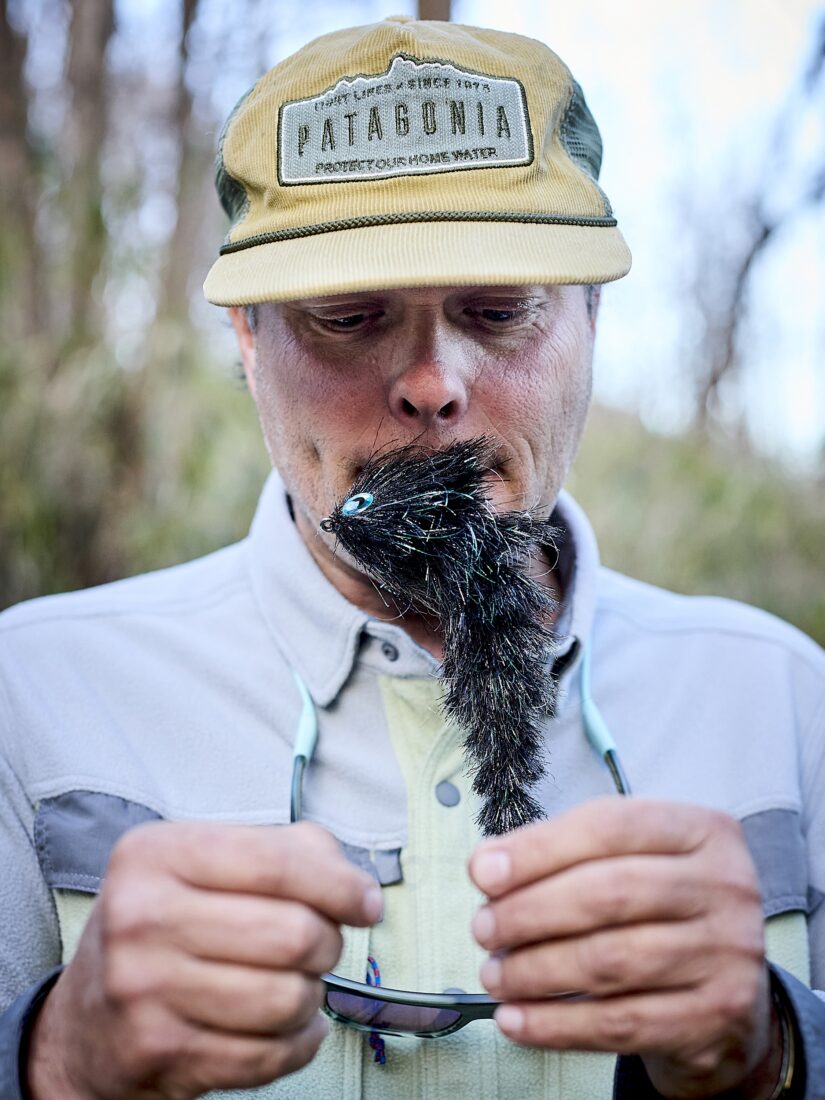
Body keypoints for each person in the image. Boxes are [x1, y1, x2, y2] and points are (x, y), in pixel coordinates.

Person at [1, 15, 823, 1100]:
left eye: (499, 307)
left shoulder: (782, 696)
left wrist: (774, 1048)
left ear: (592, 314)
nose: (433, 381)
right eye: (349, 314)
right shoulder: (32, 695)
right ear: (247, 338)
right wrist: (53, 1057)